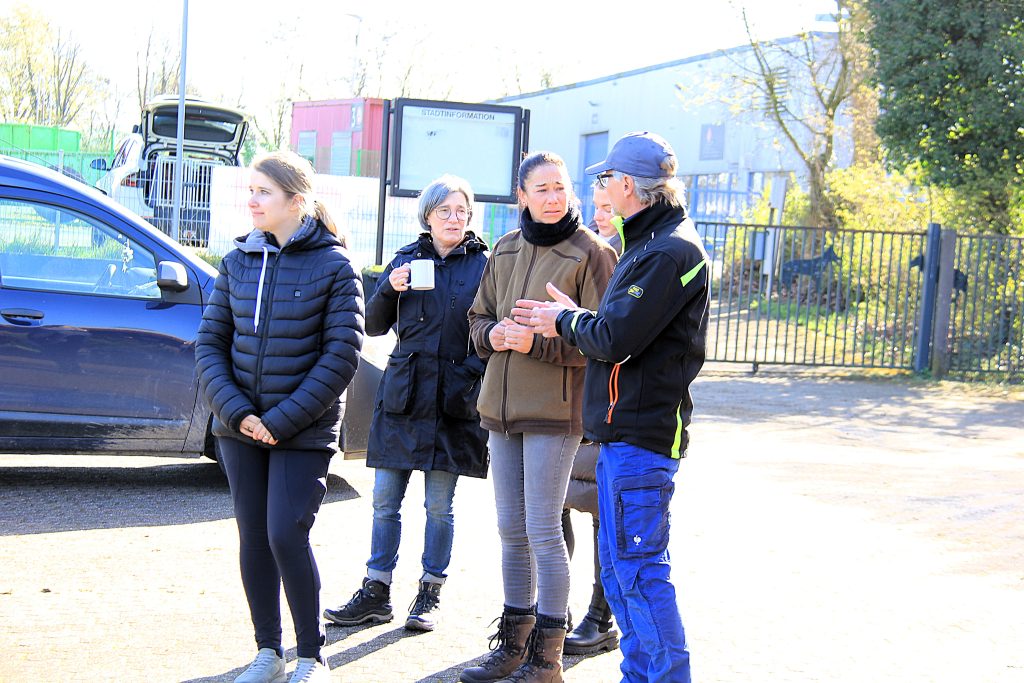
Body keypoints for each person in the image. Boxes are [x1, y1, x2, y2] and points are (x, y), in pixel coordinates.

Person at [512, 131, 710, 683]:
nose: (598, 188)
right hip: (625, 439)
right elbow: (618, 329)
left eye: (604, 179)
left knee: (639, 574)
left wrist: (565, 320)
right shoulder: (650, 243)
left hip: (640, 440)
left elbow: (616, 339)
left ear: (626, 184)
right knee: (625, 577)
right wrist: (580, 318)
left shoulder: (667, 251)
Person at [195, 150, 364, 683]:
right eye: (251, 190)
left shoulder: (336, 267)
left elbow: (342, 355)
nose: (252, 200)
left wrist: (282, 420)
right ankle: (268, 653)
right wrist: (239, 413)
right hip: (239, 429)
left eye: (263, 191)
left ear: (297, 201)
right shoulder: (237, 261)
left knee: (285, 534)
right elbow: (209, 344)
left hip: (303, 430)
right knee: (253, 537)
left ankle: (312, 655)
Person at [460, 152, 617, 683]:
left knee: (543, 530)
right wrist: (493, 335)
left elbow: (604, 340)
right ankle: (513, 645)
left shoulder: (592, 253)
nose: (554, 198)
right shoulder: (504, 248)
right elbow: (476, 318)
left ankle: (547, 659)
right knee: (511, 529)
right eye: (542, 189)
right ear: (521, 196)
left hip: (556, 413)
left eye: (560, 187)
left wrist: (539, 343)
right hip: (500, 411)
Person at [322, 175, 489, 633]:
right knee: (384, 502)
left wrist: (471, 373)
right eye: (444, 211)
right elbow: (373, 325)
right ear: (427, 216)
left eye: (461, 211)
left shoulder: (485, 266)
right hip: (404, 396)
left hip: (454, 399)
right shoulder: (406, 259)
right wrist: (389, 289)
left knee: (439, 506)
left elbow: (491, 330)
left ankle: (430, 593)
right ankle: (376, 591)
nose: (454, 219)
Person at [560, 180, 623, 657]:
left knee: (604, 512)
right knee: (554, 503)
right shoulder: (583, 250)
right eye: (595, 206)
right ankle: (555, 607)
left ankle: (600, 617)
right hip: (569, 402)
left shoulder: (632, 257)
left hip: (606, 406)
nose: (600, 215)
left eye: (608, 207)